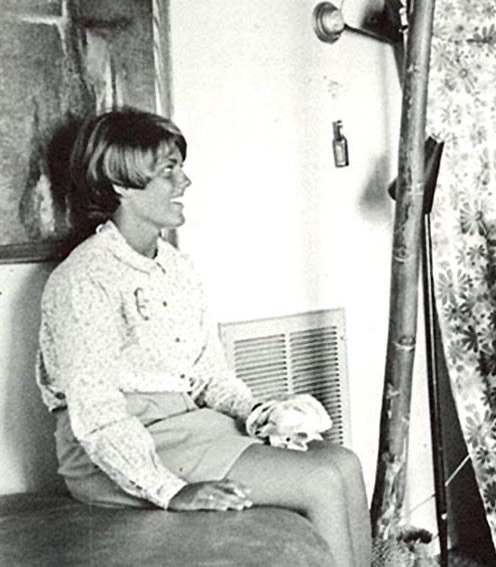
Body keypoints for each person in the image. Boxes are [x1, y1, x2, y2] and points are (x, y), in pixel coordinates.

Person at [35, 108, 371, 567]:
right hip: (119, 447)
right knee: (319, 481)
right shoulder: (83, 279)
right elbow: (96, 416)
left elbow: (209, 375)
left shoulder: (176, 266)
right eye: (168, 171)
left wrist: (258, 414)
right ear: (120, 186)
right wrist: (170, 490)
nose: (185, 182)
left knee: (343, 464)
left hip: (188, 426)